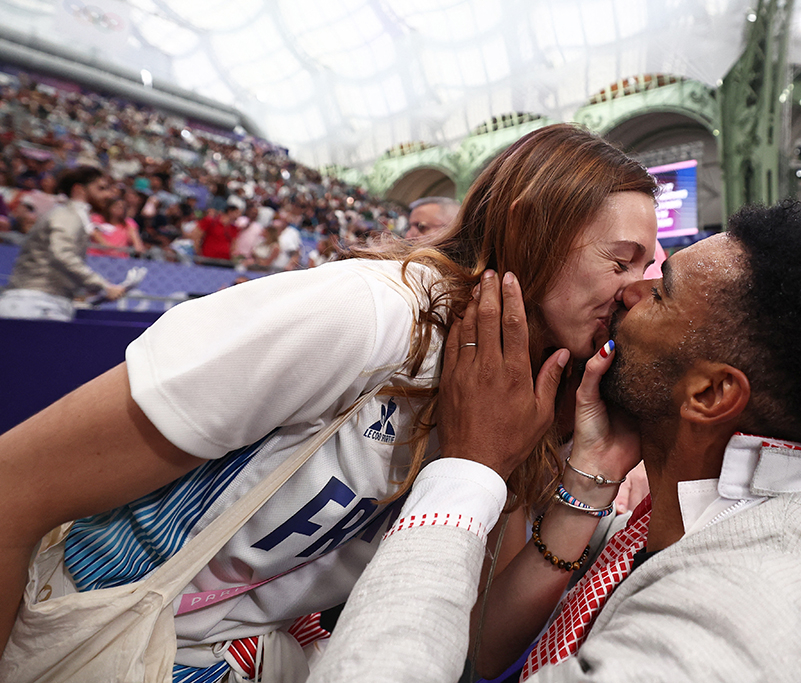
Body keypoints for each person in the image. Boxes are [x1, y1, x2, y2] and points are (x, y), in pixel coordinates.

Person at [0, 124, 658, 682]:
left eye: (649, 268)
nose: (635, 291)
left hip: (225, 657)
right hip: (100, 633)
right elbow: (14, 487)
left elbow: (474, 639)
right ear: (529, 228)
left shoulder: (531, 390)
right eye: (621, 260)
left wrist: (587, 477)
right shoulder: (366, 317)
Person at [310, 200, 801, 683]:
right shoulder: (713, 514)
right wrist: (588, 475)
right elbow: (485, 646)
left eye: (661, 291)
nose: (628, 292)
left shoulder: (720, 637)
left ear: (708, 395)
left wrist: (467, 470)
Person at [0, 165, 125, 321]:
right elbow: (62, 255)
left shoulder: (73, 216)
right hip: (34, 303)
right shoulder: (66, 215)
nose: (108, 194)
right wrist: (103, 285)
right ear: (79, 189)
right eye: (101, 188)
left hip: (43, 302)